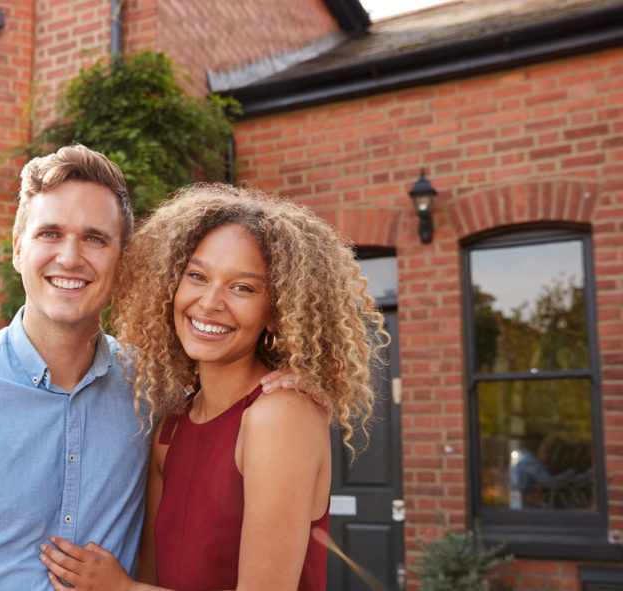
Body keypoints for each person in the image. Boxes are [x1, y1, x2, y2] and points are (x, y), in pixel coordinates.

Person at [0, 147, 299, 590]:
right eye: (50, 234)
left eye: (95, 238)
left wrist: (288, 374)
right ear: (19, 250)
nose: (70, 257)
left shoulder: (155, 389)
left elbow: (228, 394)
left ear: (122, 262)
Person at [39, 183, 386, 591]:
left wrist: (121, 589)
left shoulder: (281, 415)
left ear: (276, 312)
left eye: (243, 287)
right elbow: (157, 575)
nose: (210, 302)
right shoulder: (170, 425)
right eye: (197, 277)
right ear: (172, 286)